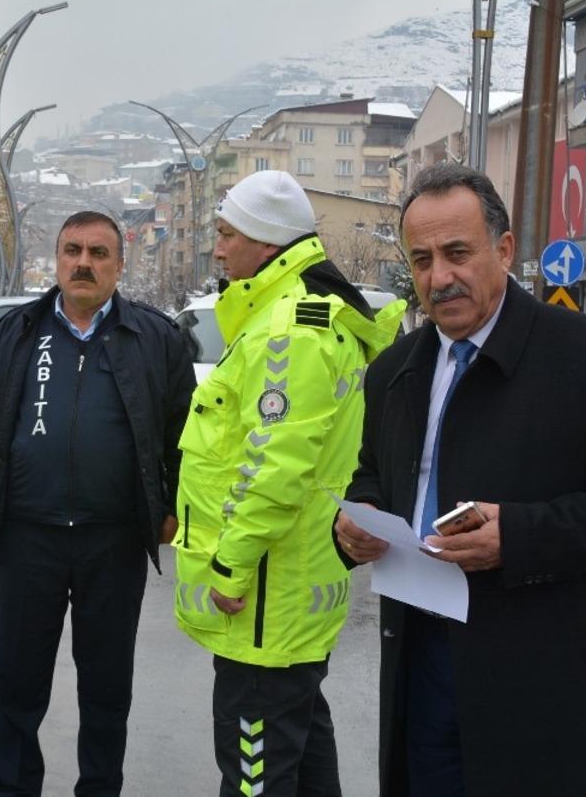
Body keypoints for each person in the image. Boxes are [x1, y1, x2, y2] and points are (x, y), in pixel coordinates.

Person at [333, 163, 586, 797]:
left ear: (505, 249)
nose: (440, 278)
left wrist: (517, 536)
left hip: (553, 679)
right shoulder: (393, 371)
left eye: (457, 253)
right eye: (421, 260)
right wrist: (355, 517)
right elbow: (375, 475)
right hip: (426, 666)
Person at [172, 170, 403, 797]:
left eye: (226, 234)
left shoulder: (287, 330)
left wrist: (230, 565)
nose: (217, 249)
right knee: (299, 752)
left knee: (256, 776)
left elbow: (275, 466)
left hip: (264, 605)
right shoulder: (298, 314)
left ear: (266, 241)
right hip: (290, 597)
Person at [0, 210, 196, 796]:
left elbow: (185, 434)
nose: (83, 262)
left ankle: (100, 788)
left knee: (107, 686)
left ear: (118, 264)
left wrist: (171, 504)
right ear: (57, 258)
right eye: (72, 250)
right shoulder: (17, 332)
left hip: (112, 540)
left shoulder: (156, 337)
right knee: (15, 681)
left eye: (98, 252)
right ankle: (12, 788)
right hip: (26, 536)